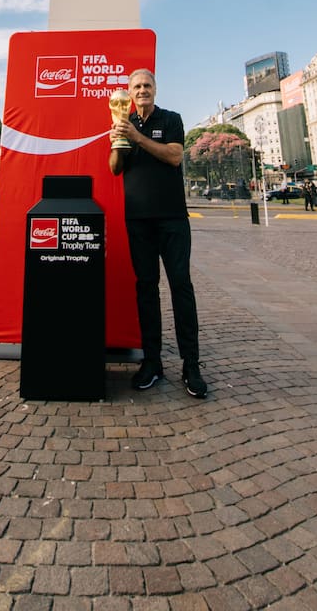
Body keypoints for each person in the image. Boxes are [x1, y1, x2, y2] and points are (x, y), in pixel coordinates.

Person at [109, 68, 207, 399]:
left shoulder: (171, 119)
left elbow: (174, 155)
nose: (142, 90)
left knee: (181, 286)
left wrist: (137, 138)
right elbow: (114, 168)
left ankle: (191, 365)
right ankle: (152, 363)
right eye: (136, 86)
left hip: (172, 219)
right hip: (138, 220)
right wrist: (118, 142)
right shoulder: (123, 121)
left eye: (147, 85)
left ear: (155, 89)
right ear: (129, 92)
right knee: (146, 289)